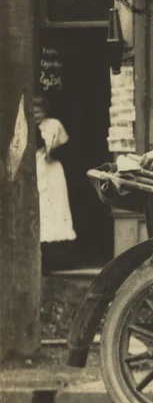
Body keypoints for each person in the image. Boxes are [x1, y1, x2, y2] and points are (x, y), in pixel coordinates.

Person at [33, 97, 77, 272]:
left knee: (56, 213)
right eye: (33, 110)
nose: (36, 114)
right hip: (35, 170)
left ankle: (56, 260)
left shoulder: (53, 125)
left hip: (51, 171)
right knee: (39, 213)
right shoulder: (22, 124)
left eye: (39, 110)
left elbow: (65, 148)